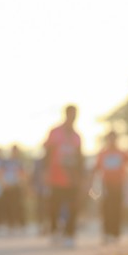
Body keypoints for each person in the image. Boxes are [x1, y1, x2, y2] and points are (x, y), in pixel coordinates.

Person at [44, 105, 84, 247]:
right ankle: (54, 231)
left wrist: (81, 177)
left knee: (73, 206)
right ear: (66, 114)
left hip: (72, 178)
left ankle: (70, 234)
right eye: (71, 114)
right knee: (54, 206)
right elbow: (47, 153)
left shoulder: (77, 136)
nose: (73, 117)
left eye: (75, 114)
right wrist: (45, 171)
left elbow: (80, 158)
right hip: (56, 176)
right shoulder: (55, 132)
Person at [91, 130, 128, 243]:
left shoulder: (122, 153)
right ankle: (107, 232)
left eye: (114, 138)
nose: (112, 140)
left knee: (117, 209)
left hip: (119, 185)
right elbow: (96, 167)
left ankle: (115, 233)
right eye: (110, 138)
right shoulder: (103, 153)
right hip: (106, 185)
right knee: (107, 208)